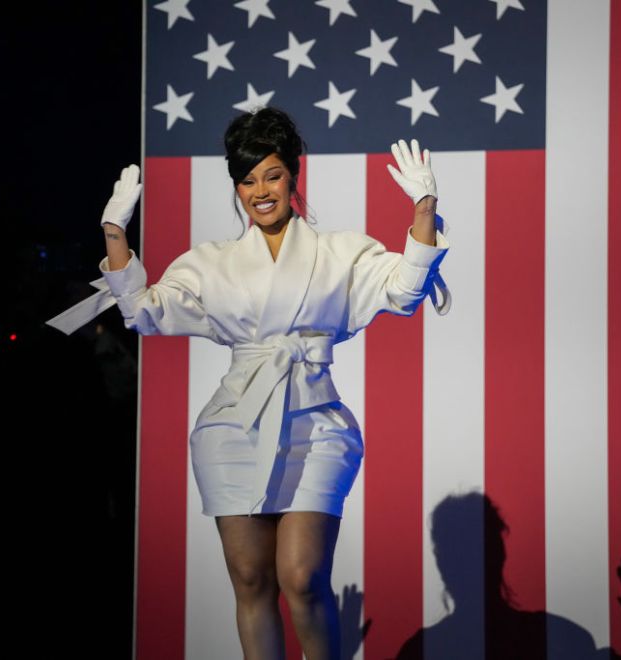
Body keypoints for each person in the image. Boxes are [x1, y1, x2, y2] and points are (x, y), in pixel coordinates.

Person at [46, 107, 451, 660]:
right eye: (247, 179)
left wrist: (424, 208)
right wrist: (115, 231)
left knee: (302, 577)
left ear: (293, 176)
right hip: (233, 427)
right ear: (237, 187)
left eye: (272, 174)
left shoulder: (342, 252)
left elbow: (406, 291)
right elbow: (143, 311)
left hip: (316, 424)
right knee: (251, 580)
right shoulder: (212, 262)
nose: (260, 190)